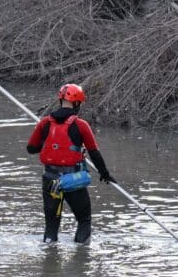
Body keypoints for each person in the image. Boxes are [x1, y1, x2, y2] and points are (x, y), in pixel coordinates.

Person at [26, 83, 116, 243]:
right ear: (76, 104)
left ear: (61, 101)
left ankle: (49, 258)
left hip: (50, 180)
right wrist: (105, 174)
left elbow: (31, 148)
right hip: (73, 181)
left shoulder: (45, 123)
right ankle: (81, 259)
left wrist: (49, 143)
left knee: (51, 227)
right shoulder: (81, 125)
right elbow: (94, 153)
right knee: (84, 220)